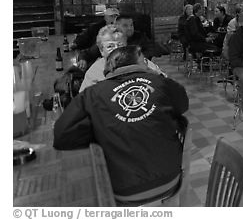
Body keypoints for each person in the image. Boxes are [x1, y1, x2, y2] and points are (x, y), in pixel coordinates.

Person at [54, 45, 189, 204]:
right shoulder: (161, 82)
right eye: (145, 61)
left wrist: (100, 130)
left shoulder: (92, 93)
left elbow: (62, 136)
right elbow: (183, 105)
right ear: (138, 61)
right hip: (170, 180)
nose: (147, 64)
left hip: (124, 192)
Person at [79, 25, 164, 92]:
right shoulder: (94, 72)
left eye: (120, 45)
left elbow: (163, 80)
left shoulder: (141, 61)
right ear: (101, 50)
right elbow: (85, 101)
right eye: (110, 46)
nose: (116, 49)